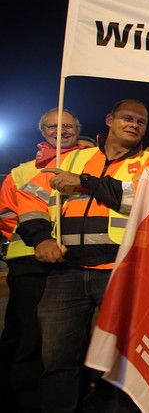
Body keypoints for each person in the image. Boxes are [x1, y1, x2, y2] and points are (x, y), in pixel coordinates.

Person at [15, 100, 149, 412]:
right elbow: (31, 197)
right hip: (65, 270)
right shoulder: (73, 158)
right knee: (57, 360)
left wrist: (84, 182)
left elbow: (144, 199)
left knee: (118, 362)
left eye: (141, 122)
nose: (134, 125)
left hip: (121, 272)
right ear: (109, 119)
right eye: (127, 118)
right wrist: (41, 238)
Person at [0, 108, 84, 412]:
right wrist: (38, 238)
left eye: (67, 126)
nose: (60, 131)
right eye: (52, 126)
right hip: (29, 263)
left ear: (78, 130)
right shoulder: (21, 172)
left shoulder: (89, 162)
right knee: (27, 337)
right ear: (42, 131)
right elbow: (7, 216)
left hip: (72, 260)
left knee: (64, 341)